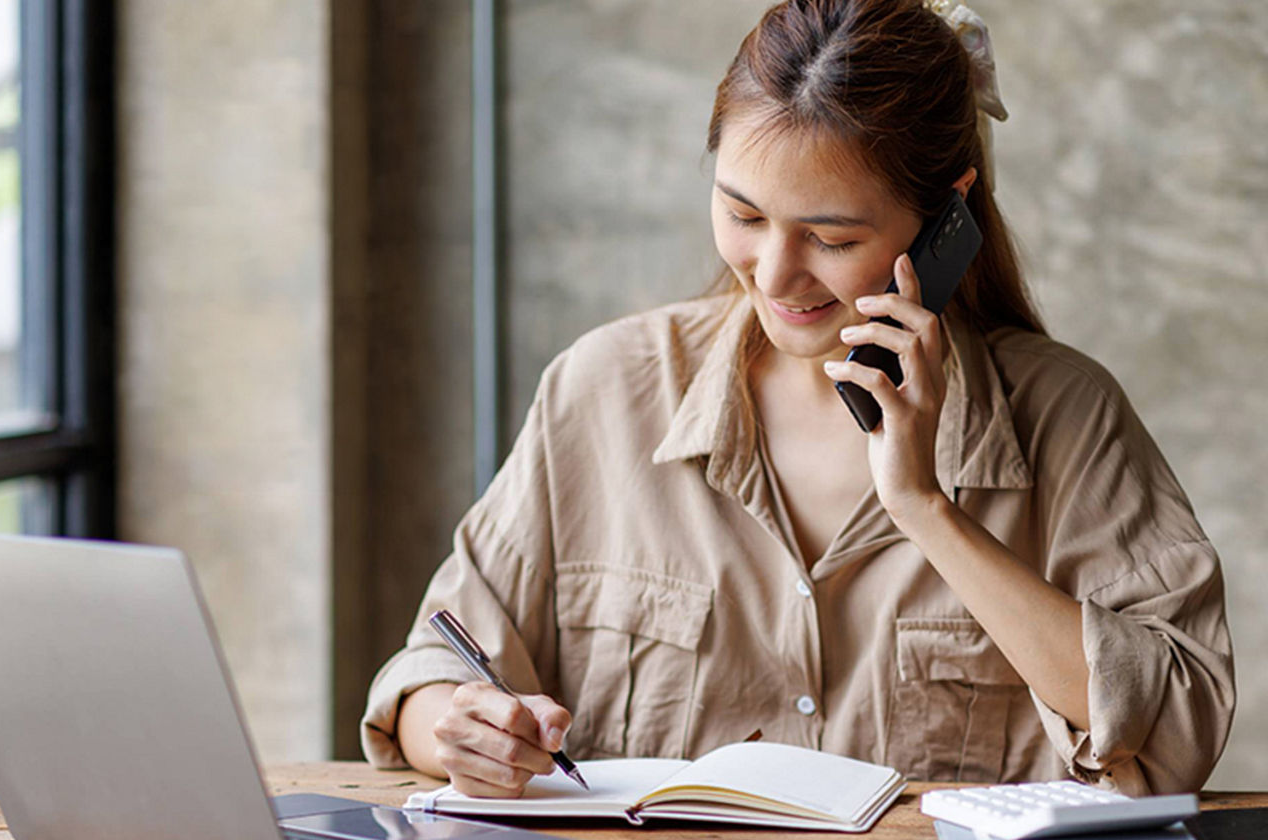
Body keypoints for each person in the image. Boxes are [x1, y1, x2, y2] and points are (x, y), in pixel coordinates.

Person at [361, 0, 1234, 798]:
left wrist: (927, 508)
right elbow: (433, 665)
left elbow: (1174, 739)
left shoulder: (1066, 416)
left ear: (947, 217)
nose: (773, 276)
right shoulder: (603, 388)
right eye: (743, 215)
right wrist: (458, 727)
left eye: (830, 236)